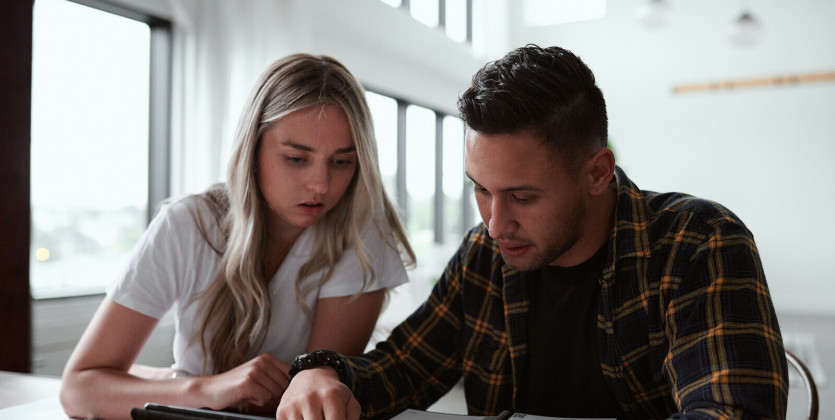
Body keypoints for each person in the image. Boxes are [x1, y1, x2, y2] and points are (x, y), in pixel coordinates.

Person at [275, 45, 789, 420]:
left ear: (596, 172)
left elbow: (730, 413)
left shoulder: (697, 243)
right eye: (481, 190)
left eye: (522, 197)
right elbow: (404, 368)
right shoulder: (486, 254)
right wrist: (325, 374)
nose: (496, 224)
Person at [59, 53, 415, 420]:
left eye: (342, 162)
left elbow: (311, 401)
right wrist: (208, 387)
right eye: (296, 158)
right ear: (252, 148)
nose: (321, 185)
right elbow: (78, 390)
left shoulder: (361, 234)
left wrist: (179, 382)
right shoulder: (187, 224)